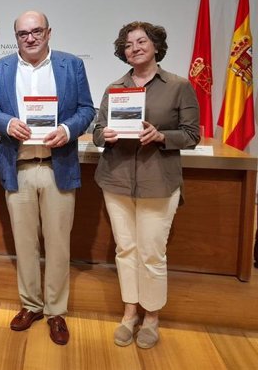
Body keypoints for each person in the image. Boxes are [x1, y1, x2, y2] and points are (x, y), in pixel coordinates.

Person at [0, 10, 95, 345]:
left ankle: (56, 311)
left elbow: (86, 110)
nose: (29, 38)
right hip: (17, 169)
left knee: (59, 245)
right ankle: (30, 305)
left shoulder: (70, 65)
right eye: (22, 33)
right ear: (15, 36)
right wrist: (5, 123)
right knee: (25, 243)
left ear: (49, 32)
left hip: (56, 166)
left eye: (36, 31)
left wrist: (66, 129)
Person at [92, 22, 199, 349]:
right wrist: (104, 135)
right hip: (116, 180)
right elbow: (98, 130)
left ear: (155, 46)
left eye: (141, 41)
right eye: (127, 44)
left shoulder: (178, 86)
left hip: (159, 182)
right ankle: (129, 313)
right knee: (126, 250)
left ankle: (151, 316)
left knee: (152, 253)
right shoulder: (115, 88)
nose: (134, 48)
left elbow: (193, 135)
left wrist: (162, 135)